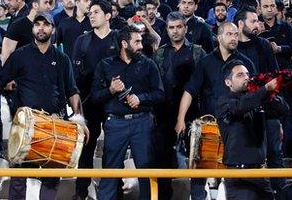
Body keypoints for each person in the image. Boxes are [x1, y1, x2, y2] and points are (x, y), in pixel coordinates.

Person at [0, 12, 87, 200]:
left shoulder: (62, 58)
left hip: (55, 123)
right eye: (37, 24)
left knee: (51, 179)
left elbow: (73, 91)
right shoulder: (20, 55)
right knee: (19, 177)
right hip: (26, 125)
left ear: (52, 29)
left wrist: (80, 120)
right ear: (32, 29)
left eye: (45, 25)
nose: (41, 28)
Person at [175, 22, 255, 200]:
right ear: (219, 37)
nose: (234, 38)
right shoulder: (205, 62)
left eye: (236, 34)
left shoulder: (245, 64)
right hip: (209, 127)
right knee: (200, 172)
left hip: (237, 128)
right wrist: (180, 119)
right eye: (229, 34)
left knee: (236, 174)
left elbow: (255, 96)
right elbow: (190, 91)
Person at [92, 25, 164, 200]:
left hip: (143, 123)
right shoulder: (105, 65)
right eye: (137, 42)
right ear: (124, 43)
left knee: (146, 172)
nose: (141, 45)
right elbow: (95, 97)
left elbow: (160, 94)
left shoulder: (149, 64)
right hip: (115, 123)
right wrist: (110, 90)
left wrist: (141, 98)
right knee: (110, 172)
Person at [217, 59, 288, 200]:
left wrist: (270, 94)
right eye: (240, 75)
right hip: (239, 176)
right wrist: (264, 89)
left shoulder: (257, 100)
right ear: (228, 82)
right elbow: (240, 107)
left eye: (247, 74)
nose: (246, 78)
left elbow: (283, 109)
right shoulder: (224, 102)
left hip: (260, 173)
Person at [70, 0, 120, 199]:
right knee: (85, 151)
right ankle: (81, 193)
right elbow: (73, 75)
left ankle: (114, 194)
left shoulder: (118, 38)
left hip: (114, 102)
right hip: (88, 102)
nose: (91, 15)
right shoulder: (82, 41)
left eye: (96, 12)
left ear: (108, 16)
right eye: (90, 12)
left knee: (114, 151)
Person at [153, 11, 205, 198]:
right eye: (171, 28)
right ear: (166, 29)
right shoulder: (160, 53)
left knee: (197, 159)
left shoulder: (198, 52)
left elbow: (204, 84)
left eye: (178, 27)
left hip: (193, 113)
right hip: (164, 114)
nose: (175, 31)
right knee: (162, 159)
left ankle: (198, 196)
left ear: (186, 28)